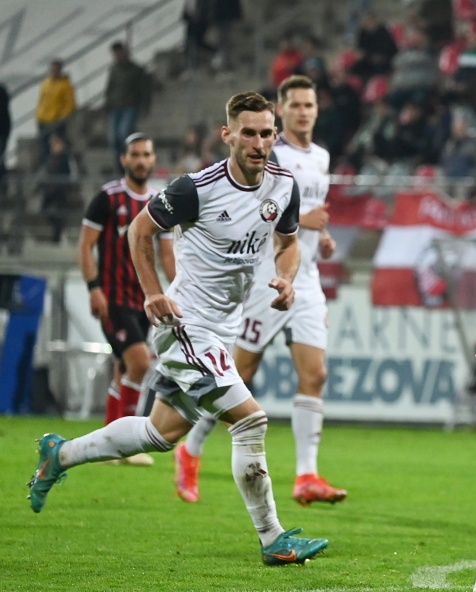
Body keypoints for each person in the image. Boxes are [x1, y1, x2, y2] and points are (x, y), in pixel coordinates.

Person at [27, 91, 329, 566]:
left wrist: (286, 278)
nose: (258, 143)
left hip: (221, 330)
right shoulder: (196, 188)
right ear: (228, 135)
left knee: (161, 432)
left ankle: (59, 455)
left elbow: (288, 243)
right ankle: (273, 539)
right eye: (247, 133)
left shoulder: (282, 186)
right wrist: (152, 293)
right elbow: (138, 231)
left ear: (275, 135)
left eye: (266, 133)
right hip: (185, 323)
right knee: (250, 420)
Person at [173, 76, 345, 507]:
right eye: (296, 105)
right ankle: (190, 449)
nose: (304, 112)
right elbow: (258, 213)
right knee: (238, 374)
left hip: (304, 278)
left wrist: (321, 237)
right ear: (281, 111)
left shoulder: (321, 157)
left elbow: (304, 218)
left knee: (316, 374)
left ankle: (306, 475)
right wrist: (305, 222)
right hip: (263, 280)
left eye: (310, 105)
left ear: (317, 110)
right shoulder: (268, 152)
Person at [79, 132, 173, 467]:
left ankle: (108, 442)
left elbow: (167, 254)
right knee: (140, 362)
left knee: (124, 368)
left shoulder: (160, 202)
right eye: (135, 154)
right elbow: (86, 245)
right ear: (124, 159)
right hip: (112, 297)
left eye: (147, 154)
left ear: (153, 159)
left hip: (143, 299)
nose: (141, 160)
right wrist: (93, 287)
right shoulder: (108, 197)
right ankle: (126, 444)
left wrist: (179, 289)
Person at [106, 43, 150, 165]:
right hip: (116, 106)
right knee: (113, 139)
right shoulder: (114, 69)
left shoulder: (136, 70)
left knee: (123, 133)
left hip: (130, 106)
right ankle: (120, 163)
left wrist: (145, 107)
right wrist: (108, 103)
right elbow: (110, 88)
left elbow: (144, 90)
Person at [36, 60, 76, 166]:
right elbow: (41, 100)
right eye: (53, 69)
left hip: (56, 121)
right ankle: (48, 168)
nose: (54, 71)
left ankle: (61, 168)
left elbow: (70, 104)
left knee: (59, 149)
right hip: (43, 119)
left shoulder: (65, 85)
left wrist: (61, 117)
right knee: (44, 148)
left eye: (56, 69)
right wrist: (39, 115)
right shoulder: (46, 83)